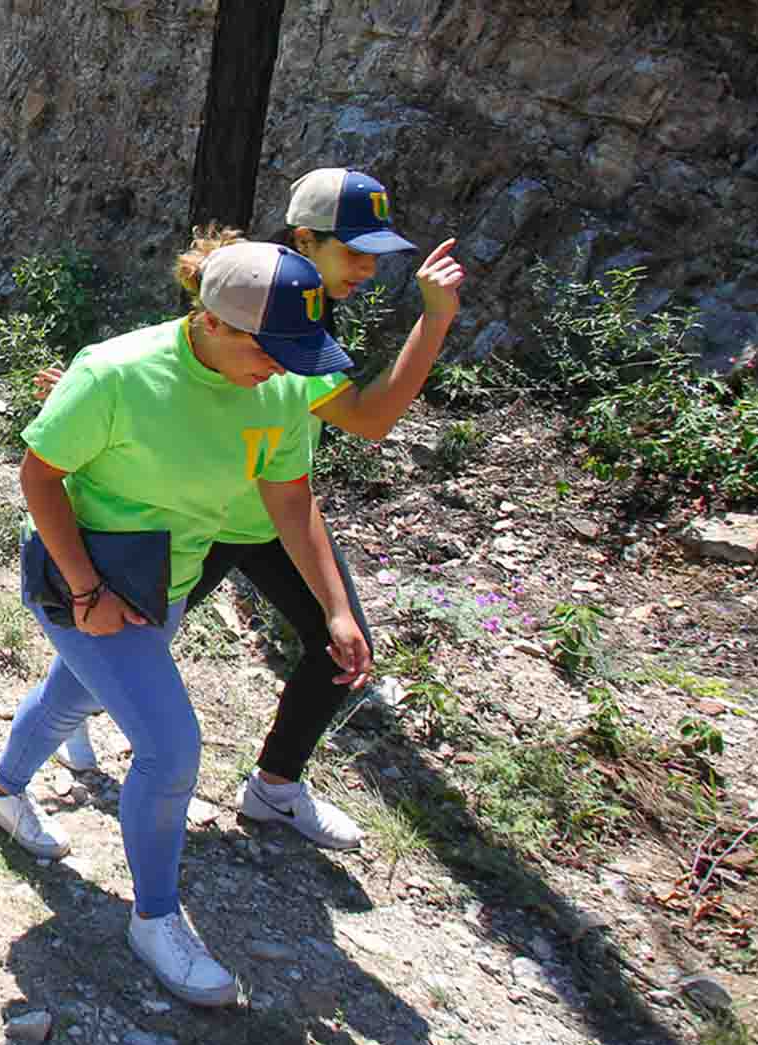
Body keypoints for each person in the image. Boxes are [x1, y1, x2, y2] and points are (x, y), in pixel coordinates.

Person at [0, 237, 370, 1007]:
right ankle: (155, 918)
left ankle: (1, 791)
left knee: (75, 693)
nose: (286, 368)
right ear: (217, 322)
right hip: (82, 578)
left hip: (167, 583)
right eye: (273, 349)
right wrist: (89, 590)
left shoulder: (284, 389)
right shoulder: (116, 373)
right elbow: (40, 475)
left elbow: (290, 502)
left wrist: (335, 607)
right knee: (170, 746)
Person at [47, 169, 465, 851]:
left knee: (340, 644)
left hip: (270, 518)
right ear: (305, 238)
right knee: (120, 635)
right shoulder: (262, 305)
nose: (367, 268)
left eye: (375, 254)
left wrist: (436, 318)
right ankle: (67, 718)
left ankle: (275, 787)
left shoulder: (306, 309)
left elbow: (341, 439)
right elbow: (366, 416)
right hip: (194, 516)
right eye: (354, 251)